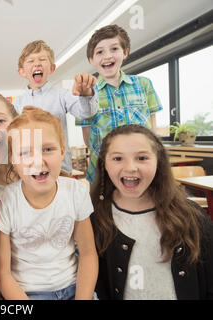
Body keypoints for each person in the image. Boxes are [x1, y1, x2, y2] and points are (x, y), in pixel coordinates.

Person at [91, 124, 213, 299]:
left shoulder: (191, 216)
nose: (130, 167)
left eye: (142, 158)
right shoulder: (95, 217)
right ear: (104, 164)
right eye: (118, 158)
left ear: (158, 161)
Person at [0, 108, 98, 300]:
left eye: (47, 149)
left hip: (75, 287)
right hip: (28, 294)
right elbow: (2, 274)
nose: (37, 160)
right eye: (25, 152)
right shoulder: (5, 201)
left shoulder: (76, 192)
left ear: (62, 151)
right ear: (13, 160)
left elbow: (88, 254)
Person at [76, 24, 163, 184]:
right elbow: (88, 139)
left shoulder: (143, 84)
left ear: (125, 52)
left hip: (141, 170)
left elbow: (153, 130)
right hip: (102, 173)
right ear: (91, 60)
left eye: (114, 49)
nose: (107, 56)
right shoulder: (86, 93)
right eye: (100, 51)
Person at [12, 40, 98, 174]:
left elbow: (85, 113)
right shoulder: (17, 103)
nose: (37, 63)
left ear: (52, 68)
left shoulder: (63, 95)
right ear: (22, 71)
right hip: (29, 168)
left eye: (42, 59)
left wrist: (86, 95)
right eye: (30, 61)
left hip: (60, 168)